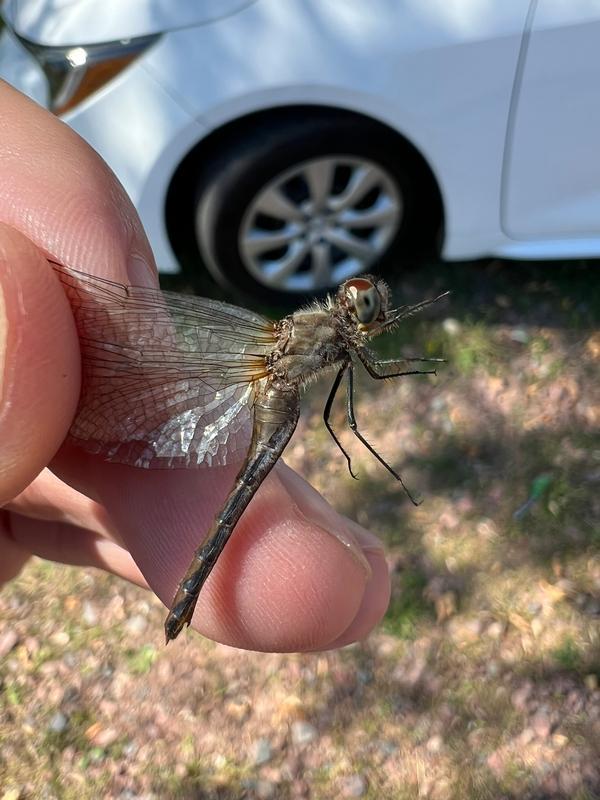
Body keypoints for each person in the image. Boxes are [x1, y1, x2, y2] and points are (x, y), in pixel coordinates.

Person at [0, 81, 390, 651]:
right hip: (263, 391)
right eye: (363, 304)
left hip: (264, 389)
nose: (367, 311)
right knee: (280, 561)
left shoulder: (322, 336)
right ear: (347, 310)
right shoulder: (320, 336)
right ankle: (190, 596)